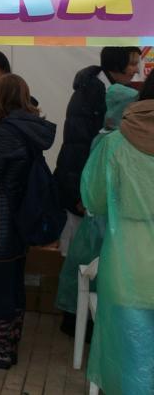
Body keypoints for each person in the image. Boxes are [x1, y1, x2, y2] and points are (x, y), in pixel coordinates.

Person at [0, 74, 56, 369]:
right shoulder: (30, 128)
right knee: (14, 284)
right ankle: (11, 342)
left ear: (1, 98)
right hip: (20, 219)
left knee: (2, 287)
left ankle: (1, 351)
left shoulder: (6, 131)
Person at [53, 46, 141, 334]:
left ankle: (81, 318)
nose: (136, 70)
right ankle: (75, 319)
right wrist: (80, 194)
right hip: (84, 191)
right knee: (82, 258)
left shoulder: (107, 92)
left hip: (93, 194)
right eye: (132, 63)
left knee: (88, 257)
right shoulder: (93, 95)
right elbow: (76, 148)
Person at [82, 70, 154, 395]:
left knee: (131, 367)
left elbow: (94, 199)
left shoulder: (114, 143)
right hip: (127, 265)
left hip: (128, 266)